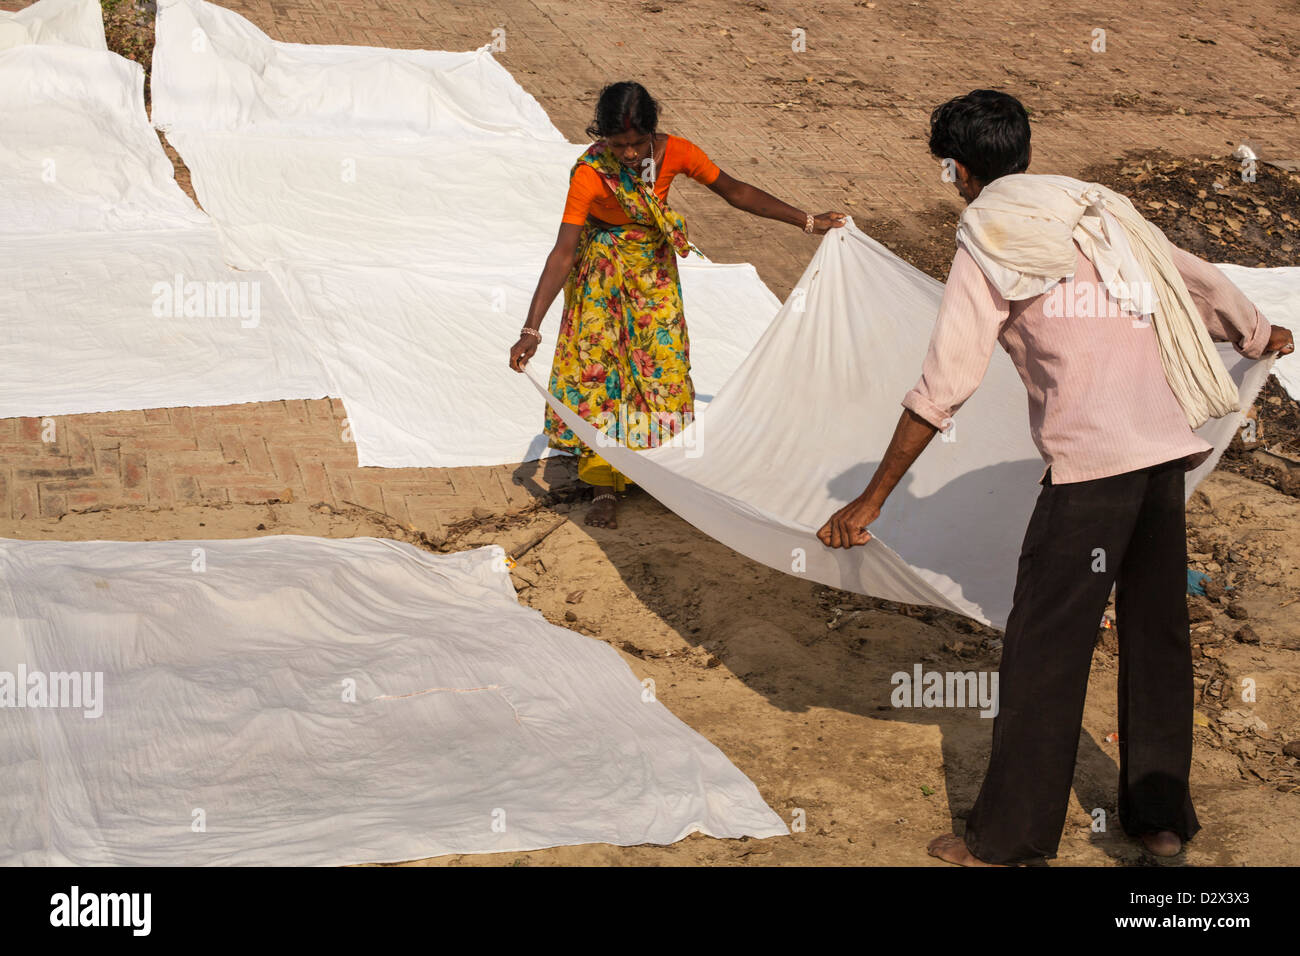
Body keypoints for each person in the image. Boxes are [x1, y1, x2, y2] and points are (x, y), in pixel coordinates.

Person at [817, 89, 1295, 866]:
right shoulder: (1098, 208)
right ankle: (1160, 820)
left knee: (1045, 647)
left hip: (1093, 468)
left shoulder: (990, 236)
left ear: (960, 169)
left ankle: (1006, 840)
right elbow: (1191, 278)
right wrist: (1253, 329)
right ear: (1025, 149)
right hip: (1162, 451)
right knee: (1156, 632)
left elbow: (944, 384)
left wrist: (871, 498)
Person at [510, 81, 846, 529]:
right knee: (602, 373)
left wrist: (807, 221)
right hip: (600, 275)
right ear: (603, 137)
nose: (628, 154)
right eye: (618, 144)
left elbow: (736, 191)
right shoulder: (590, 172)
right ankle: (603, 484)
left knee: (662, 367)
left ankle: (657, 466)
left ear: (653, 131)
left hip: (653, 272)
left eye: (636, 143)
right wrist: (531, 329)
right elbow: (563, 252)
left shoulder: (678, 152)